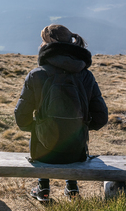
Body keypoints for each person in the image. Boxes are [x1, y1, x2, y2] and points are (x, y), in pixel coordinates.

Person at [14, 24, 108, 201]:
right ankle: (72, 188)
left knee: (43, 129)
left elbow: (21, 117)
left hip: (44, 151)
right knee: (69, 132)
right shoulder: (86, 76)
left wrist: (35, 127)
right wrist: (83, 126)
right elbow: (101, 117)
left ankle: (43, 189)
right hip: (76, 152)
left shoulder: (36, 75)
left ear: (47, 44)